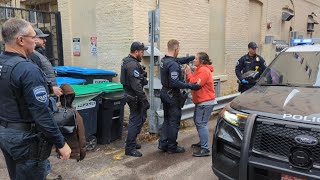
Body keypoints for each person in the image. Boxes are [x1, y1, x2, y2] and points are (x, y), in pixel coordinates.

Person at [0, 18, 71, 180]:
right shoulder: (28, 69)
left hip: (5, 133)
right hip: (25, 140)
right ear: (21, 40)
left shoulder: (3, 62)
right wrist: (61, 143)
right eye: (33, 37)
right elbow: (41, 113)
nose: (36, 42)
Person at [158, 39, 201, 154]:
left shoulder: (164, 60)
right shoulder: (173, 64)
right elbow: (175, 82)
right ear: (176, 49)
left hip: (165, 93)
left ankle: (163, 143)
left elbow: (178, 60)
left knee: (167, 119)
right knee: (174, 121)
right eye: (179, 49)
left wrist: (191, 57)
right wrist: (191, 86)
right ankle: (172, 146)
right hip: (172, 96)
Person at [120, 41, 150, 157]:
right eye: (142, 52)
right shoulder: (132, 65)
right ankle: (130, 148)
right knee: (135, 121)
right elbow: (136, 85)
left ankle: (132, 142)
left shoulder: (127, 61)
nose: (142, 54)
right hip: (135, 97)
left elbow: (136, 79)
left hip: (131, 95)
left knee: (140, 118)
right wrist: (144, 100)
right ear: (136, 52)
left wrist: (142, 78)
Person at [184, 52, 216, 157]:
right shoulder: (200, 69)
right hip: (201, 101)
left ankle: (205, 148)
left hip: (205, 102)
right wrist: (189, 74)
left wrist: (188, 73)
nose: (194, 60)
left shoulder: (204, 70)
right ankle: (203, 142)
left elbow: (195, 83)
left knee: (201, 124)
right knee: (198, 122)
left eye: (196, 58)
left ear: (202, 61)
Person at [28, 28, 62, 97]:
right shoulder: (33, 56)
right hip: (44, 96)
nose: (45, 40)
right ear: (34, 39)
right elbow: (35, 80)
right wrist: (50, 90)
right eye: (42, 38)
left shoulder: (38, 54)